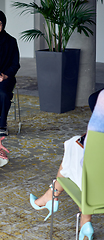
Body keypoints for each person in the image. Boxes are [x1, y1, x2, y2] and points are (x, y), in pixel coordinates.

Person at [30, 90, 104, 240]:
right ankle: (52, 198)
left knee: (74, 147)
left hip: (97, 190)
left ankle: (54, 197)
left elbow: (92, 148)